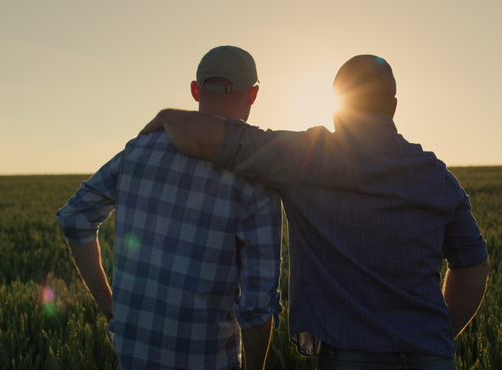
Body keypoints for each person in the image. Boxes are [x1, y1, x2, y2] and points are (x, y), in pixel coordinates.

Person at [139, 54, 490, 369]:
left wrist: (169, 116)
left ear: (336, 106)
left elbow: (205, 137)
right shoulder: (438, 176)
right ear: (393, 106)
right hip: (432, 357)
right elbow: (473, 265)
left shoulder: (307, 157)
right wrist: (434, 334)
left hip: (349, 358)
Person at [56, 45, 282, 370]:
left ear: (194, 90)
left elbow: (75, 217)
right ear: (253, 95)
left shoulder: (140, 148)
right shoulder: (255, 176)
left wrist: (109, 305)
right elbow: (257, 305)